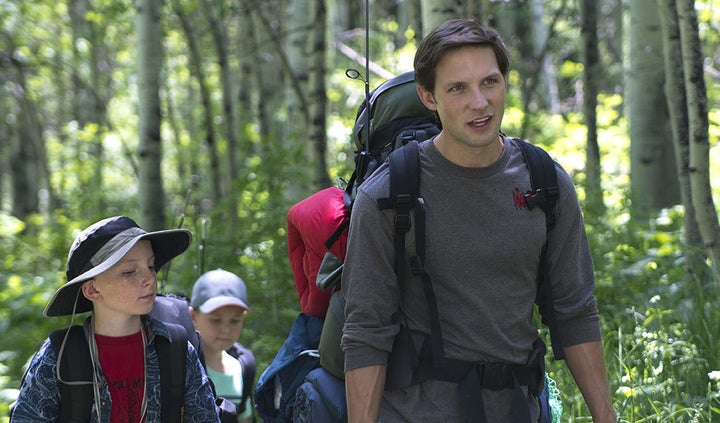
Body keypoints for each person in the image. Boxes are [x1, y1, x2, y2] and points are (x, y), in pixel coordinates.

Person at [341, 19, 616, 422]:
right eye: (458, 88)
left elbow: (574, 310)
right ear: (428, 96)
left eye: (489, 82)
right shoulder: (387, 195)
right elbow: (366, 331)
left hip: (519, 408)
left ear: (505, 83)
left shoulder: (545, 181)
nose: (479, 102)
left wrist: (605, 416)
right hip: (415, 413)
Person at [10, 215, 220, 422]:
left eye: (151, 266)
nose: (149, 279)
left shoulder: (175, 348)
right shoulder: (59, 356)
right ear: (93, 289)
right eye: (129, 272)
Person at [190, 268, 254, 423]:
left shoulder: (242, 367)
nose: (226, 329)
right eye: (215, 320)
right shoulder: (183, 368)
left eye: (235, 320)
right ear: (193, 316)